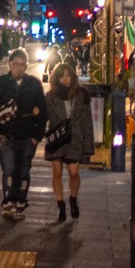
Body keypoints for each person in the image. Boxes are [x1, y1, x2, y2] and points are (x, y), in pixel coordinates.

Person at [0, 49, 47, 220]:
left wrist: (37, 137)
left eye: (22, 65)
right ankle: (8, 203)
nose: (18, 68)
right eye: (15, 64)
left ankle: (20, 204)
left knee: (23, 171)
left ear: (26, 66)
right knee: (9, 169)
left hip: (27, 136)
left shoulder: (34, 84)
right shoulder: (0, 83)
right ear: (9, 65)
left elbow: (42, 111)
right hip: (5, 136)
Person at [44, 62, 94, 221]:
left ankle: (73, 199)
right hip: (57, 139)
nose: (65, 79)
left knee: (74, 172)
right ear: (56, 79)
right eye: (61, 76)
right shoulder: (50, 97)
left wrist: (88, 148)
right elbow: (42, 119)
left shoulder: (81, 95)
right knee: (57, 171)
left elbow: (87, 122)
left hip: (75, 139)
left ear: (72, 76)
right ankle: (60, 206)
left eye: (68, 75)